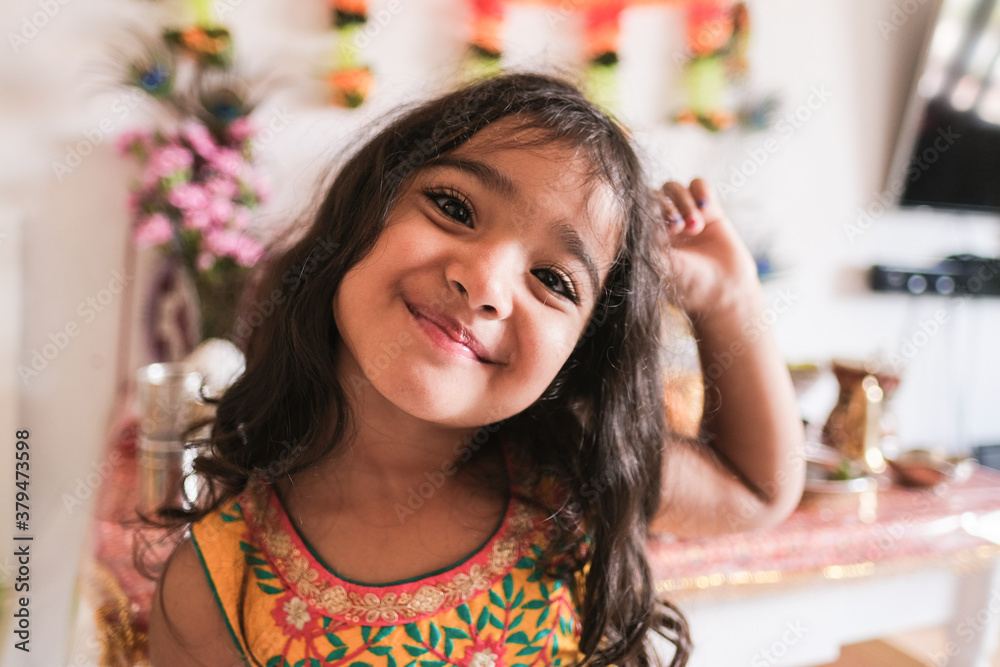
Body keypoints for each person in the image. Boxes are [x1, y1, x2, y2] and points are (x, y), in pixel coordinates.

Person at [148, 72, 804, 667]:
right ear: (360, 215)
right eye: (455, 208)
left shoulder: (571, 472)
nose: (484, 281)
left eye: (552, 278)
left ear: (579, 353)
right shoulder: (218, 583)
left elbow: (756, 490)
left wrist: (726, 297)